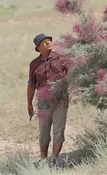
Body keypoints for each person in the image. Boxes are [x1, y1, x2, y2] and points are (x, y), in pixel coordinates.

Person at [27, 33, 69, 165]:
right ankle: (43, 159)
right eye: (44, 42)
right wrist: (29, 104)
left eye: (49, 40)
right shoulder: (34, 64)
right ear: (38, 47)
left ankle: (54, 160)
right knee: (44, 132)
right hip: (43, 101)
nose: (49, 42)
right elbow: (31, 84)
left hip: (60, 99)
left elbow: (71, 75)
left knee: (59, 131)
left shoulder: (62, 58)